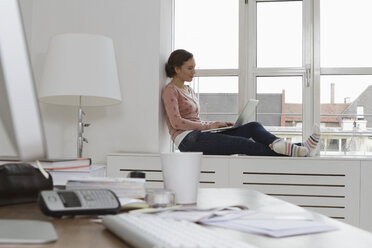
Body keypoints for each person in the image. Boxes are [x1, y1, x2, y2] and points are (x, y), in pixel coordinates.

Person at [162, 49, 320, 156]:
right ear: (176, 69)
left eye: (194, 67)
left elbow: (194, 120)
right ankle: (301, 149)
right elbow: (176, 122)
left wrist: (217, 124)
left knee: (253, 126)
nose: (194, 72)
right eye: (190, 68)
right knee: (244, 143)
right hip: (187, 141)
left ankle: (284, 144)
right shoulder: (170, 90)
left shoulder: (189, 90)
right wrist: (208, 126)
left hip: (201, 134)